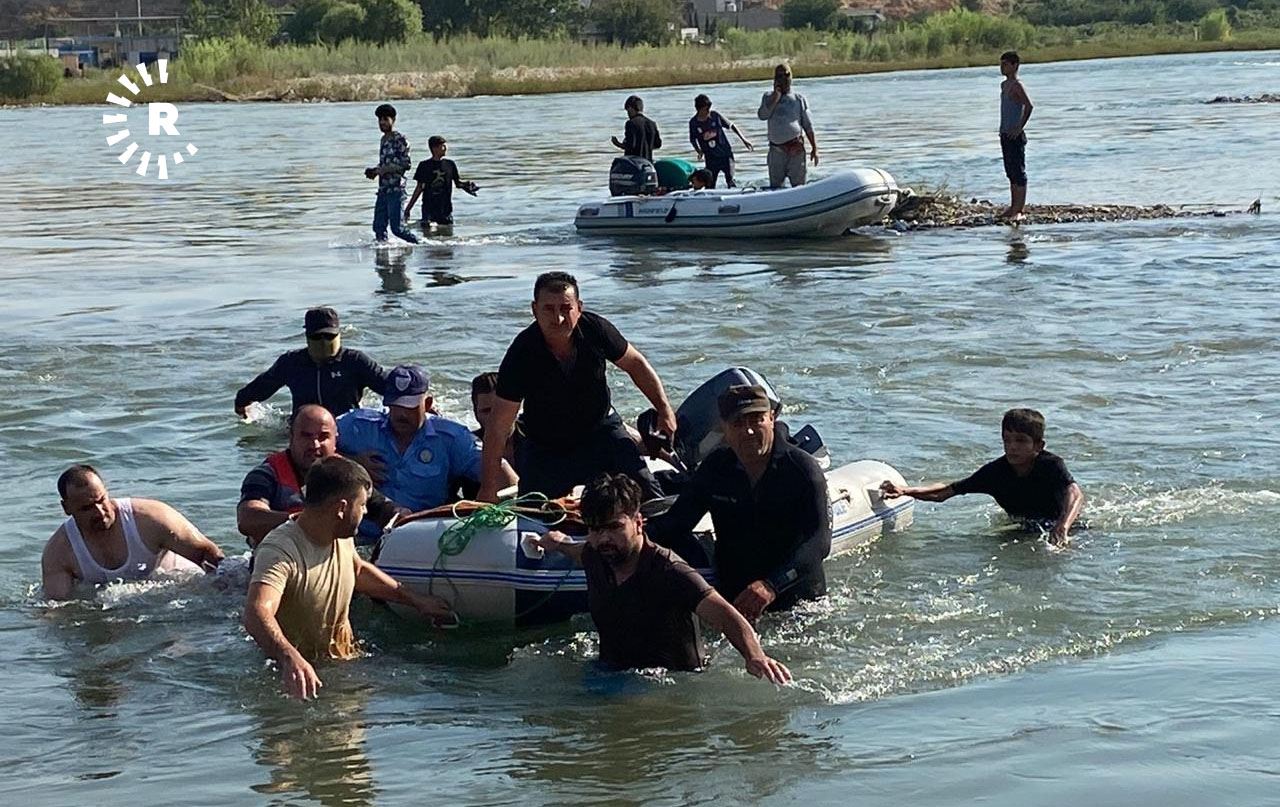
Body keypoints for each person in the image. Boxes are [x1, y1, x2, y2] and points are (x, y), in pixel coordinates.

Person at [535, 474, 791, 682]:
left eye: (614, 527)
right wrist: (556, 542)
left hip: (671, 682)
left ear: (638, 522)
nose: (604, 539)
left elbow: (726, 616)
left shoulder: (669, 570)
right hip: (609, 673)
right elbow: (575, 550)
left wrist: (755, 656)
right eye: (595, 529)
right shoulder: (595, 554)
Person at [244, 456, 453, 700]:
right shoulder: (280, 551)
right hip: (300, 676)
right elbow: (257, 612)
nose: (365, 511)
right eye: (362, 504)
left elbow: (356, 569)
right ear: (341, 508)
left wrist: (416, 600)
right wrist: (289, 657)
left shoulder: (339, 532)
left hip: (344, 660)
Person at [476, 272, 676, 503]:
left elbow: (636, 365)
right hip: (546, 445)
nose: (558, 318)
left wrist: (665, 410)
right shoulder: (521, 354)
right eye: (548, 309)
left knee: (648, 494)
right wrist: (488, 487)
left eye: (565, 308)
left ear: (579, 308)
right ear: (534, 310)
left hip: (601, 429)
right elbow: (498, 427)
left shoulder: (596, 329)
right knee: (533, 510)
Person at [648, 385, 831, 621]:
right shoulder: (716, 467)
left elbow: (819, 543)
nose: (749, 431)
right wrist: (633, 534)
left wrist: (771, 586)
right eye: (738, 423)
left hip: (797, 603)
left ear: (772, 418)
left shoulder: (802, 470)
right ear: (723, 428)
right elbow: (677, 522)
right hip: (736, 600)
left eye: (757, 420)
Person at [879, 408, 1084, 546]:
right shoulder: (994, 473)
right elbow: (945, 492)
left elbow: (1075, 494)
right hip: (1023, 528)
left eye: (1021, 441)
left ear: (1038, 446)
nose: (1012, 447)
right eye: (1007, 440)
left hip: (1065, 525)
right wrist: (905, 491)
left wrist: (1063, 526)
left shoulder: (1051, 465)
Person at [337, 364, 513, 521]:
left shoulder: (451, 438)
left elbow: (507, 479)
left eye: (409, 406)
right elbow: (320, 448)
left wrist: (480, 510)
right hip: (362, 532)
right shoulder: (357, 426)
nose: (401, 414)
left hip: (422, 533)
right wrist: (352, 465)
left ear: (428, 403)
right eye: (395, 405)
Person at [41, 465, 225, 600]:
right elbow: (57, 607)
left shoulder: (150, 518)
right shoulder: (59, 552)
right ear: (67, 508)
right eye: (86, 508)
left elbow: (210, 556)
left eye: (101, 500)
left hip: (183, 590)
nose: (100, 512)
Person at [237, 404, 405, 548]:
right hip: (278, 560)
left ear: (336, 440)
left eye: (323, 437)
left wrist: (404, 520)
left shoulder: (347, 475)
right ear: (291, 437)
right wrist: (308, 520)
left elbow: (384, 509)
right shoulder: (266, 474)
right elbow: (248, 519)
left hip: (332, 560)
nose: (314, 445)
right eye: (306, 436)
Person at [234, 307, 388, 418]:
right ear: (307, 336)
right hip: (304, 429)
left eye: (329, 336)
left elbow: (389, 386)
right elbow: (261, 387)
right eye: (317, 337)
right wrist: (242, 403)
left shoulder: (354, 361)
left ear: (338, 334)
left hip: (345, 428)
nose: (323, 342)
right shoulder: (292, 363)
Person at [757, 64, 818, 189]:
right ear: (775, 79)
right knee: (776, 187)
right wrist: (776, 97)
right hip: (776, 152)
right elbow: (763, 115)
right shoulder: (767, 97)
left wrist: (814, 148)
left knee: (799, 187)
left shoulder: (799, 99)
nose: (784, 78)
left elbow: (808, 125)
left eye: (787, 75)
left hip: (796, 150)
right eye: (780, 76)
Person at [365, 103, 419, 244]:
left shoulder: (400, 139)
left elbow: (406, 164)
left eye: (385, 119)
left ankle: (422, 245)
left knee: (397, 229)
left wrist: (384, 170)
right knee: (378, 227)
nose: (382, 122)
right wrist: (375, 171)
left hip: (396, 190)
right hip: (383, 190)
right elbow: (384, 163)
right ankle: (382, 254)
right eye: (380, 119)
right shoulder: (383, 140)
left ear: (393, 120)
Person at [404, 135, 479, 232]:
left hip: (445, 208)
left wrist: (467, 185)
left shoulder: (450, 164)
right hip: (429, 208)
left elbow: (458, 183)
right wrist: (408, 208)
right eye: (442, 146)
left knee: (447, 234)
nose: (445, 148)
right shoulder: (424, 165)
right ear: (434, 148)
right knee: (427, 232)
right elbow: (419, 188)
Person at [997, 51, 1034, 220]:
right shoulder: (1004, 85)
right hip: (1005, 133)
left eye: (1005, 64)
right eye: (1001, 64)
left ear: (1014, 65)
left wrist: (1019, 127)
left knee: (1018, 172)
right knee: (1010, 172)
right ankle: (1013, 207)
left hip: (1015, 135)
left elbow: (1029, 106)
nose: (1002, 67)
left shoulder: (1017, 85)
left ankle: (1019, 209)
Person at [688, 93, 753, 188]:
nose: (708, 111)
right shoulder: (693, 123)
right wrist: (699, 151)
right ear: (699, 109)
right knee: (710, 184)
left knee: (730, 180)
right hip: (711, 158)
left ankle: (735, 192)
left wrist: (744, 140)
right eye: (706, 109)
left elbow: (731, 126)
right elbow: (692, 139)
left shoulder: (715, 116)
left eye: (709, 108)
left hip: (725, 155)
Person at [610, 95, 662, 163]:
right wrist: (645, 147)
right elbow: (658, 144)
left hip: (633, 163)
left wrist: (617, 143)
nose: (628, 114)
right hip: (648, 163)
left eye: (627, 110)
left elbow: (630, 145)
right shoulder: (652, 123)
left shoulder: (631, 123)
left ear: (630, 108)